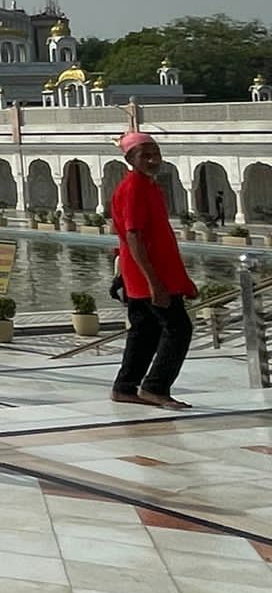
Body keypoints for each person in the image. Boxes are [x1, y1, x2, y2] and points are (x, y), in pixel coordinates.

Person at [111, 132, 197, 410]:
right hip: (149, 276)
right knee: (178, 329)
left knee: (145, 330)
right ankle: (155, 387)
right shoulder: (134, 187)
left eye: (155, 154)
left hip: (149, 274)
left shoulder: (148, 186)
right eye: (145, 155)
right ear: (130, 159)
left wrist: (182, 280)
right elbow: (133, 235)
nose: (152, 160)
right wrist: (154, 283)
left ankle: (125, 386)